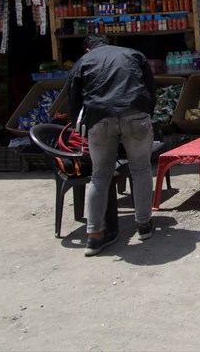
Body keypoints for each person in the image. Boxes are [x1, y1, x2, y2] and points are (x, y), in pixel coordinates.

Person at [66, 35, 157, 256]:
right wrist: (146, 114)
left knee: (100, 175)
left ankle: (95, 236)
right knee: (141, 169)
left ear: (88, 48)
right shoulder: (132, 53)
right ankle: (144, 225)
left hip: (99, 119)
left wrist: (78, 126)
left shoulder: (83, 62)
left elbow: (73, 99)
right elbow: (151, 87)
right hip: (135, 114)